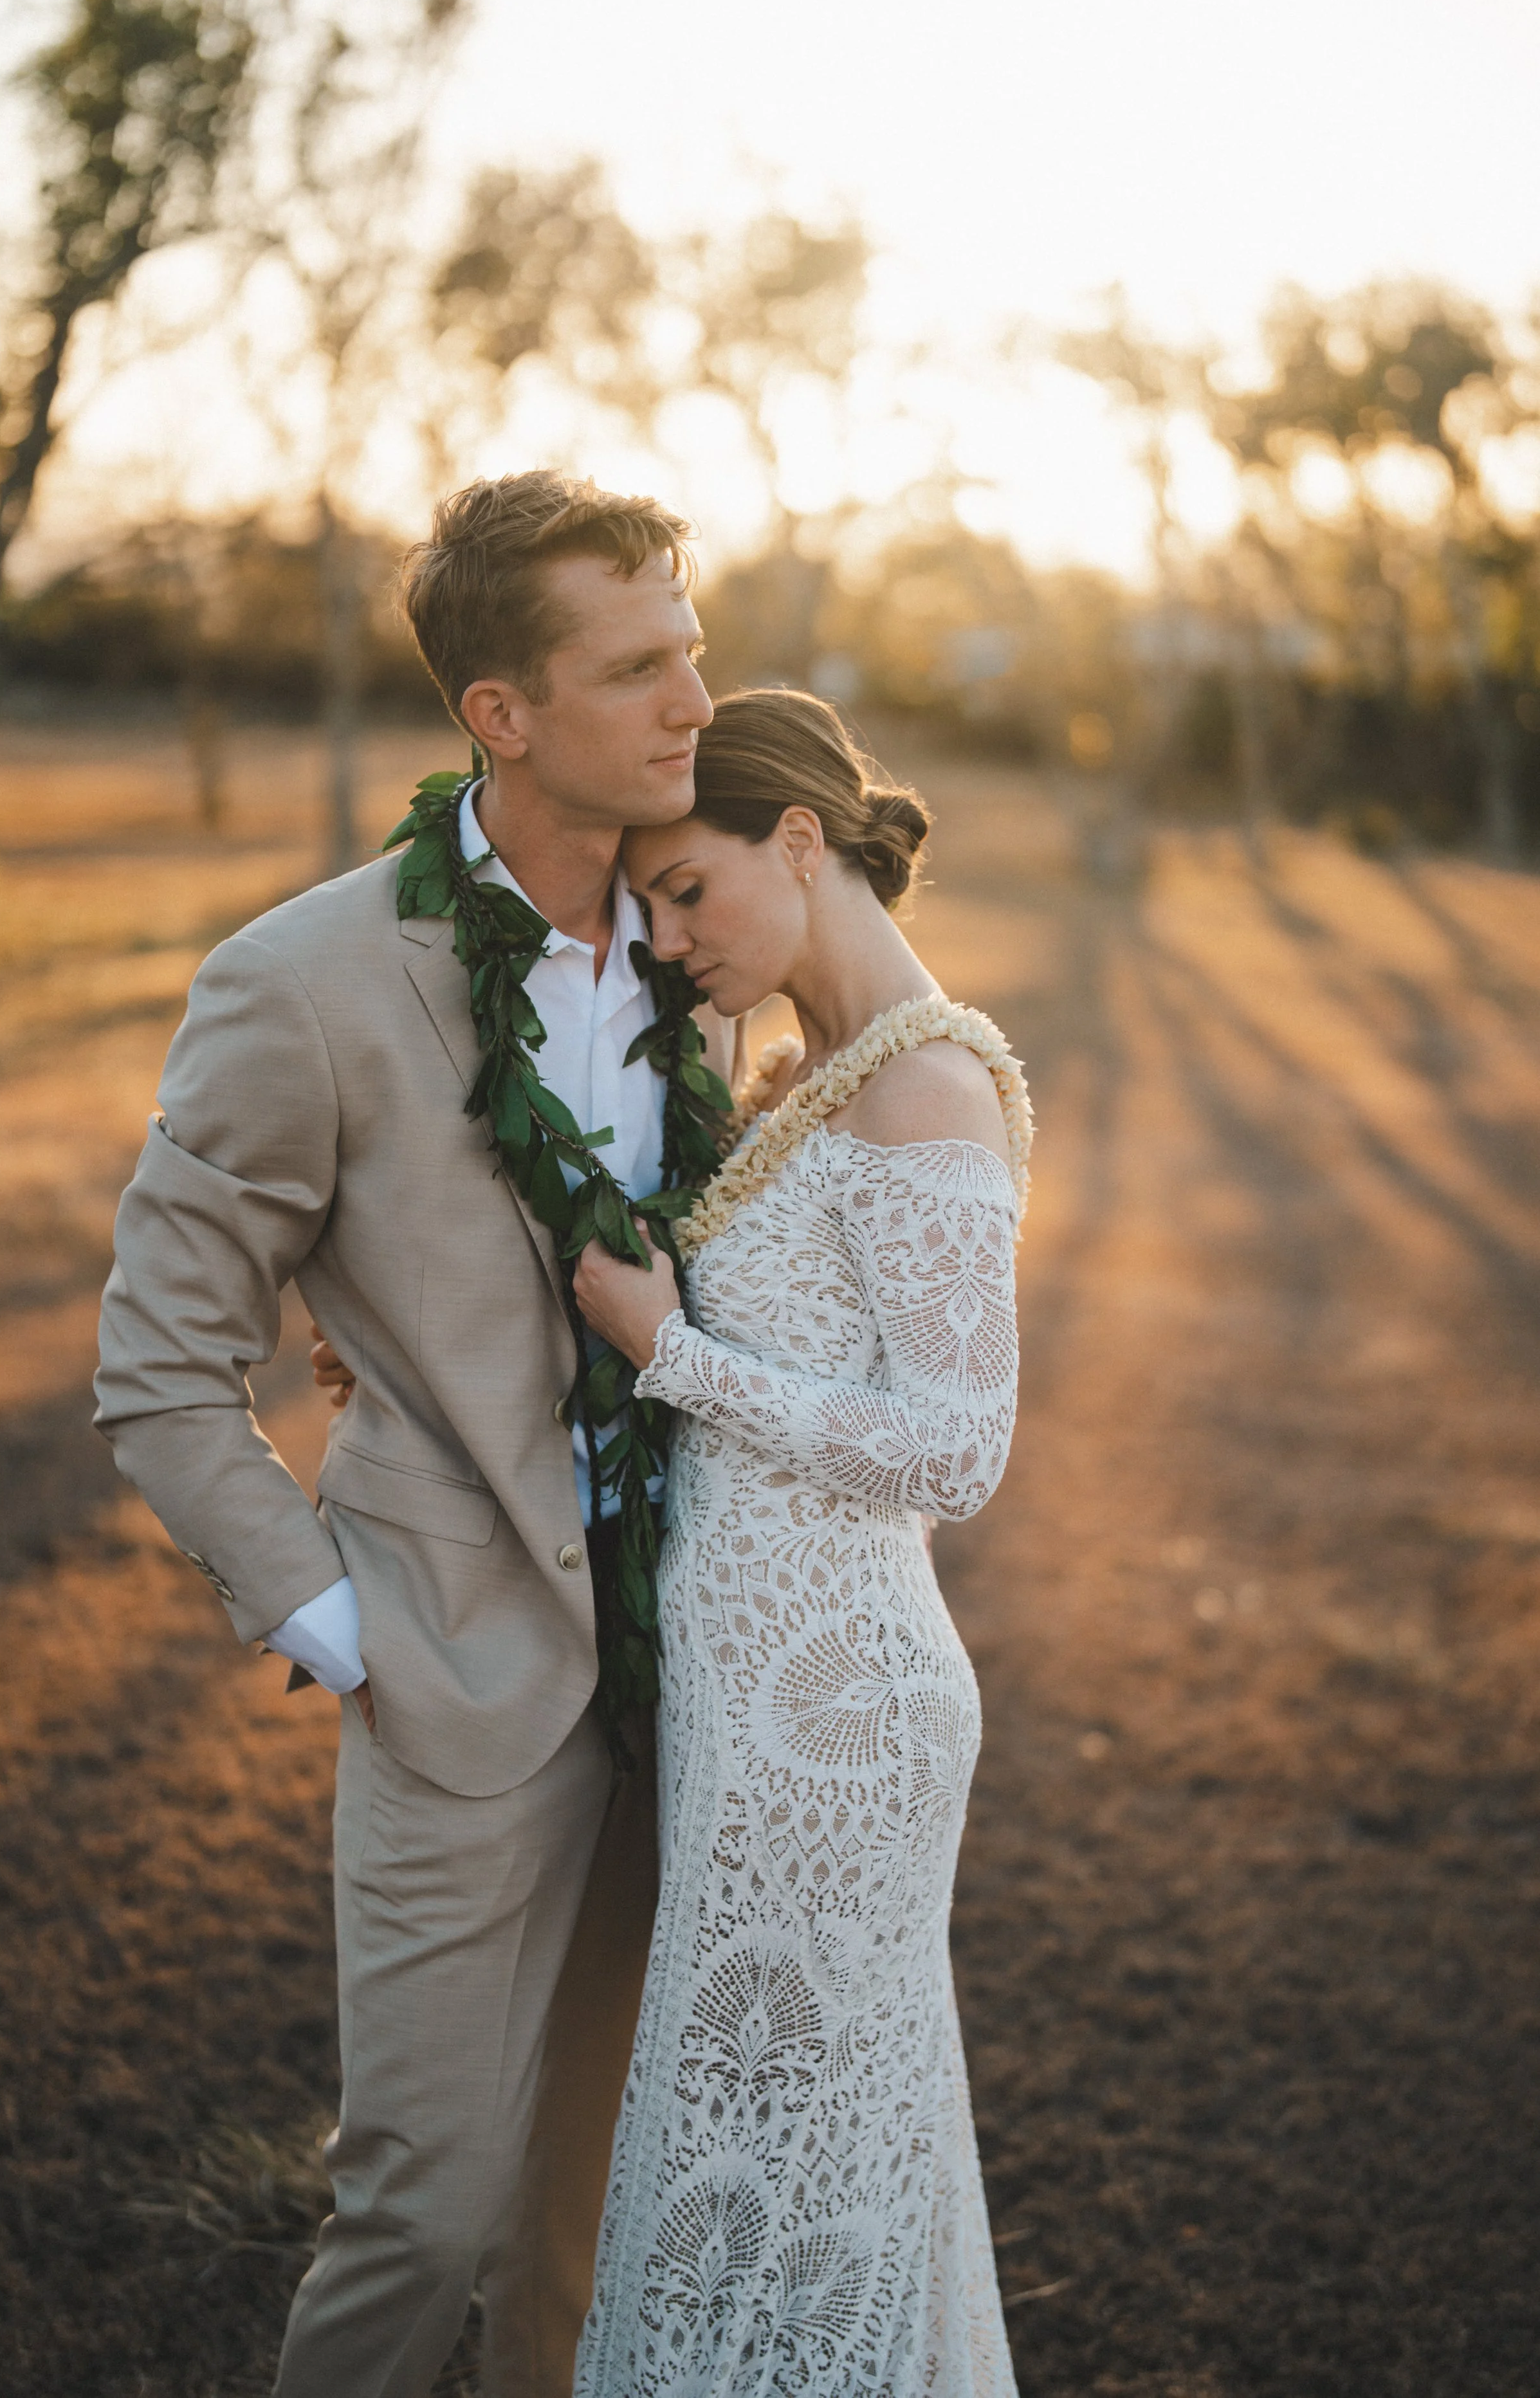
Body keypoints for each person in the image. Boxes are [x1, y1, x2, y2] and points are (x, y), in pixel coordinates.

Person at [93, 471, 740, 2398]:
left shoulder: (701, 947)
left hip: (682, 1662)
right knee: (422, 2212)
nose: (692, 699)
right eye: (637, 668)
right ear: (500, 715)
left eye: (693, 646)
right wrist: (340, 1619)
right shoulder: (300, 984)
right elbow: (156, 1358)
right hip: (448, 1659)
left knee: (579, 2224)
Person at [565, 687, 1032, 2394]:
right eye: (649, 908)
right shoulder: (817, 1075)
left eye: (689, 889)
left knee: (772, 2167)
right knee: (780, 2160)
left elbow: (958, 1449)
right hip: (758, 1701)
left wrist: (669, 1353)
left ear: (798, 837)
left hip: (837, 1714)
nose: (670, 936)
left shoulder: (921, 1087)